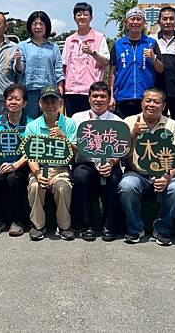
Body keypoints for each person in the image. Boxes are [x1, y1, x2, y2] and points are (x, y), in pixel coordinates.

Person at [119, 88, 175, 245]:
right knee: (126, 185)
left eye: (156, 102)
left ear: (163, 106)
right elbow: (121, 154)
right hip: (137, 174)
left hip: (164, 174)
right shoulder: (129, 121)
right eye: (148, 101)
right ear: (142, 103)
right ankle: (135, 228)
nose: (151, 105)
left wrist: (167, 177)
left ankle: (163, 229)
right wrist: (133, 134)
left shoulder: (172, 125)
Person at [71, 82, 124, 242]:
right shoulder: (77, 118)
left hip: (109, 164)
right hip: (85, 163)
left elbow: (121, 150)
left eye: (103, 96)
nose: (98, 100)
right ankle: (87, 225)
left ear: (109, 100)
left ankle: (109, 225)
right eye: (95, 96)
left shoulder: (117, 121)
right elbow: (74, 146)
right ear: (89, 98)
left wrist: (111, 163)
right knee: (81, 177)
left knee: (114, 179)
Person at [26, 85, 77, 241]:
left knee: (63, 187)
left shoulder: (69, 124)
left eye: (53, 101)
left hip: (61, 168)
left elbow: (76, 152)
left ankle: (64, 226)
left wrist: (63, 138)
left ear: (60, 103)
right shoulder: (32, 126)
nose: (50, 105)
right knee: (35, 186)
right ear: (40, 104)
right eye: (45, 101)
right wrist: (37, 173)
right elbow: (30, 157)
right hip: (40, 168)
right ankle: (37, 225)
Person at [0, 84, 32, 236]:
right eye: (9, 99)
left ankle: (18, 220)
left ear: (24, 103)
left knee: (13, 178)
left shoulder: (31, 124)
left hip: (21, 165)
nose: (13, 102)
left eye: (17, 99)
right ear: (5, 102)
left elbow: (31, 150)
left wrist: (15, 165)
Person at [109, 7, 163, 118]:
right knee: (124, 132)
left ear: (144, 22)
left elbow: (160, 69)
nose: (135, 22)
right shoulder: (118, 44)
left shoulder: (151, 43)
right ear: (126, 22)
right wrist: (111, 96)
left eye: (139, 19)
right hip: (122, 98)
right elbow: (113, 72)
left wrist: (153, 58)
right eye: (132, 19)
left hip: (146, 99)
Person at [62, 3, 110, 116]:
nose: (82, 17)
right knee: (73, 125)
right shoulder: (69, 40)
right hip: (71, 91)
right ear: (74, 18)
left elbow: (106, 62)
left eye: (85, 14)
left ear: (91, 18)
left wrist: (93, 53)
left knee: (90, 126)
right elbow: (64, 66)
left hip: (91, 92)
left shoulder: (99, 37)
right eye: (79, 14)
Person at [15, 11, 64, 119]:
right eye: (34, 24)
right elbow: (19, 70)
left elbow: (58, 69)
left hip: (49, 91)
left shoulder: (53, 47)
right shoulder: (22, 46)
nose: (38, 27)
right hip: (29, 90)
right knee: (29, 121)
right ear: (30, 26)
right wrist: (18, 61)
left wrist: (60, 87)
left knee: (49, 121)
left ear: (46, 26)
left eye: (41, 24)